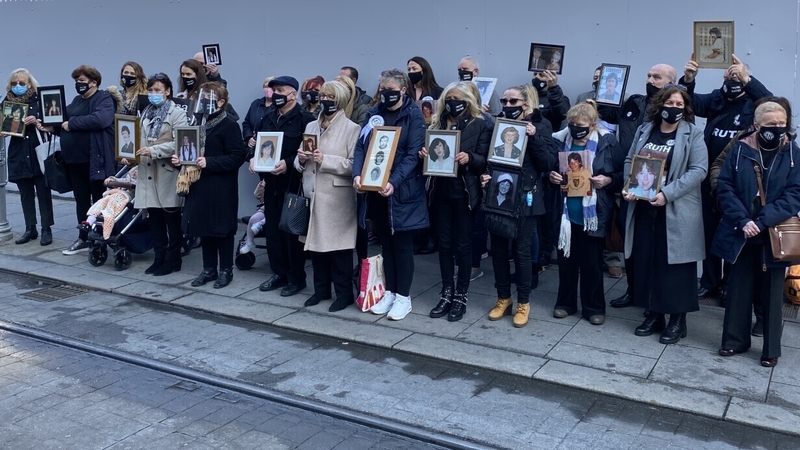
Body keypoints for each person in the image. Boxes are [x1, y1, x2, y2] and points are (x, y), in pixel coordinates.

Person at [713, 101, 800, 368]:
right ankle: (733, 341)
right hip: (741, 230)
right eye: (770, 124)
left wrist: (761, 221)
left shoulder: (793, 152)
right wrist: (743, 220)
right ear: (757, 125)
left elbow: (795, 194)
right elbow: (725, 185)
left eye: (780, 123)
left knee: (772, 293)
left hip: (773, 231)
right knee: (738, 286)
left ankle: (771, 349)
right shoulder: (740, 148)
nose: (776, 128)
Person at [681, 54, 773, 303]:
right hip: (710, 178)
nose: (730, 79)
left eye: (735, 76)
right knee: (709, 232)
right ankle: (709, 282)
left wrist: (746, 78)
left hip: (738, 183)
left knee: (734, 231)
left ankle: (729, 286)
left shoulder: (754, 104)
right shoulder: (717, 98)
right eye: (727, 75)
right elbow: (689, 104)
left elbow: (771, 104)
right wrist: (688, 80)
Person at [622, 85, 707, 345]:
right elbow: (630, 159)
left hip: (676, 208)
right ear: (660, 104)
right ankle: (654, 314)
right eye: (670, 102)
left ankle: (677, 321)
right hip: (645, 207)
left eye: (680, 104)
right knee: (648, 262)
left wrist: (667, 194)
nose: (674, 108)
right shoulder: (645, 129)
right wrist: (629, 185)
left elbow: (699, 170)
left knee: (676, 268)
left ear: (686, 108)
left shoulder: (693, 134)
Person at [596, 63, 678, 309]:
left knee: (653, 246)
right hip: (627, 181)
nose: (651, 80)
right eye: (649, 75)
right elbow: (609, 114)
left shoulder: (675, 108)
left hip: (659, 187)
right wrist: (602, 96)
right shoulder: (634, 101)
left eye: (657, 77)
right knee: (629, 240)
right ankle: (633, 291)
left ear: (671, 82)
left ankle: (652, 296)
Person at [353, 69, 428, 321]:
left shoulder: (413, 116)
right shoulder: (373, 114)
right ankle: (390, 292)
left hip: (402, 192)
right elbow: (361, 147)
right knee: (385, 243)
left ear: (403, 90)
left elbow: (412, 155)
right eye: (382, 89)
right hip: (375, 190)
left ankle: (404, 298)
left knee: (402, 247)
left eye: (390, 90)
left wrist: (394, 181)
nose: (385, 94)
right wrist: (357, 175)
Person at [485, 84, 557, 328]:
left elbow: (548, 162)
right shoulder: (497, 124)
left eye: (512, 101)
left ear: (526, 104)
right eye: (504, 101)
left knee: (522, 252)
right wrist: (486, 175)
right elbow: (490, 156)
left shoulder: (541, 125)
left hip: (526, 198)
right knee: (498, 250)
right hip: (499, 197)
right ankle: (503, 298)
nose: (507, 105)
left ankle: (523, 302)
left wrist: (533, 135)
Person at [421, 81, 490, 322]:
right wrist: (424, 154)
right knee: (444, 244)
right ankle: (446, 291)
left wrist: (469, 157)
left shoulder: (479, 125)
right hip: (440, 192)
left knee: (462, 245)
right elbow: (428, 155)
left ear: (468, 101)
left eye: (458, 98)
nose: (452, 102)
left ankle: (461, 294)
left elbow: (484, 160)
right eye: (449, 98)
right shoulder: (437, 123)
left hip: (465, 193)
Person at [549, 102, 624, 325]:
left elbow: (622, 173)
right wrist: (550, 176)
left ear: (592, 125)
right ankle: (565, 303)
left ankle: (594, 308)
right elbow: (548, 167)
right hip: (566, 213)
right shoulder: (561, 141)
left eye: (579, 125)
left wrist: (608, 180)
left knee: (592, 264)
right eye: (571, 124)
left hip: (594, 214)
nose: (574, 128)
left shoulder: (608, 142)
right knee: (566, 262)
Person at [294, 81, 360, 311]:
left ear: (340, 99)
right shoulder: (312, 125)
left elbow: (354, 165)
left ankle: (343, 295)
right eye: (323, 95)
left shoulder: (352, 128)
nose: (325, 100)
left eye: (330, 96)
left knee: (339, 249)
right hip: (313, 193)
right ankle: (320, 290)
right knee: (315, 247)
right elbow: (299, 160)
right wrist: (301, 159)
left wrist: (327, 160)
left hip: (337, 197)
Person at [175, 82, 247, 289]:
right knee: (204, 227)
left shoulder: (229, 125)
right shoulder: (197, 122)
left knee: (222, 230)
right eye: (202, 97)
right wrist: (180, 158)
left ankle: (226, 270)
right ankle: (208, 269)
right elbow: (187, 149)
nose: (203, 102)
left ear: (221, 102)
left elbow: (237, 155)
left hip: (221, 186)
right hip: (199, 184)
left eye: (208, 98)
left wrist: (210, 162)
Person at [252, 76, 315, 297]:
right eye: (274, 90)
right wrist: (254, 160)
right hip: (271, 185)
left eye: (281, 90)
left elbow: (307, 153)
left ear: (293, 94)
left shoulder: (306, 120)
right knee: (273, 234)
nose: (276, 94)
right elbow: (259, 147)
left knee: (292, 234)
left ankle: (296, 278)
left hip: (293, 186)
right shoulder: (267, 119)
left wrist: (288, 164)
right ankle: (278, 273)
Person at [51, 65, 120, 255]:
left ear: (93, 82)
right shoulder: (76, 101)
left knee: (98, 201)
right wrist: (51, 126)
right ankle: (83, 237)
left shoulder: (104, 98)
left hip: (94, 161)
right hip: (74, 161)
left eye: (82, 81)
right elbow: (61, 120)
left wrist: (71, 124)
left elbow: (101, 120)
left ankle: (99, 237)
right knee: (81, 200)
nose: (78, 84)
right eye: (76, 81)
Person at [132, 73, 188, 275]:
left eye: (158, 90)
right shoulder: (145, 112)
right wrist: (129, 154)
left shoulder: (176, 113)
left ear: (167, 91)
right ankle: (159, 257)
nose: (154, 94)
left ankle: (174, 259)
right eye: (151, 90)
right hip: (147, 171)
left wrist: (154, 150)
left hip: (167, 173)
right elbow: (136, 138)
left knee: (171, 219)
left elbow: (181, 141)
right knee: (155, 219)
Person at [3, 69, 54, 246]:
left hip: (37, 150)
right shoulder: (8, 101)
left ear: (30, 84)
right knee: (25, 193)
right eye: (14, 83)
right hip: (19, 153)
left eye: (22, 83)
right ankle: (30, 227)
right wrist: (7, 128)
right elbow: (4, 128)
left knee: (43, 192)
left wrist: (37, 119)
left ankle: (46, 228)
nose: (18, 86)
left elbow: (52, 120)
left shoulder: (40, 99)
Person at [82, 166, 137, 239]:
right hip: (117, 193)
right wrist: (112, 179)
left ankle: (106, 215)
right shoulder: (130, 175)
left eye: (136, 172)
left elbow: (138, 187)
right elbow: (122, 180)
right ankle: (89, 221)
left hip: (126, 195)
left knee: (113, 201)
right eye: (134, 172)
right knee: (101, 202)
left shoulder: (142, 180)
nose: (135, 172)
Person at [242, 76, 274, 148]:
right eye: (266, 87)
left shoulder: (279, 107)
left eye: (271, 87)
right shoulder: (256, 104)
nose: (268, 89)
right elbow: (246, 123)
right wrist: (249, 137)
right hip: (253, 145)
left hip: (270, 146)